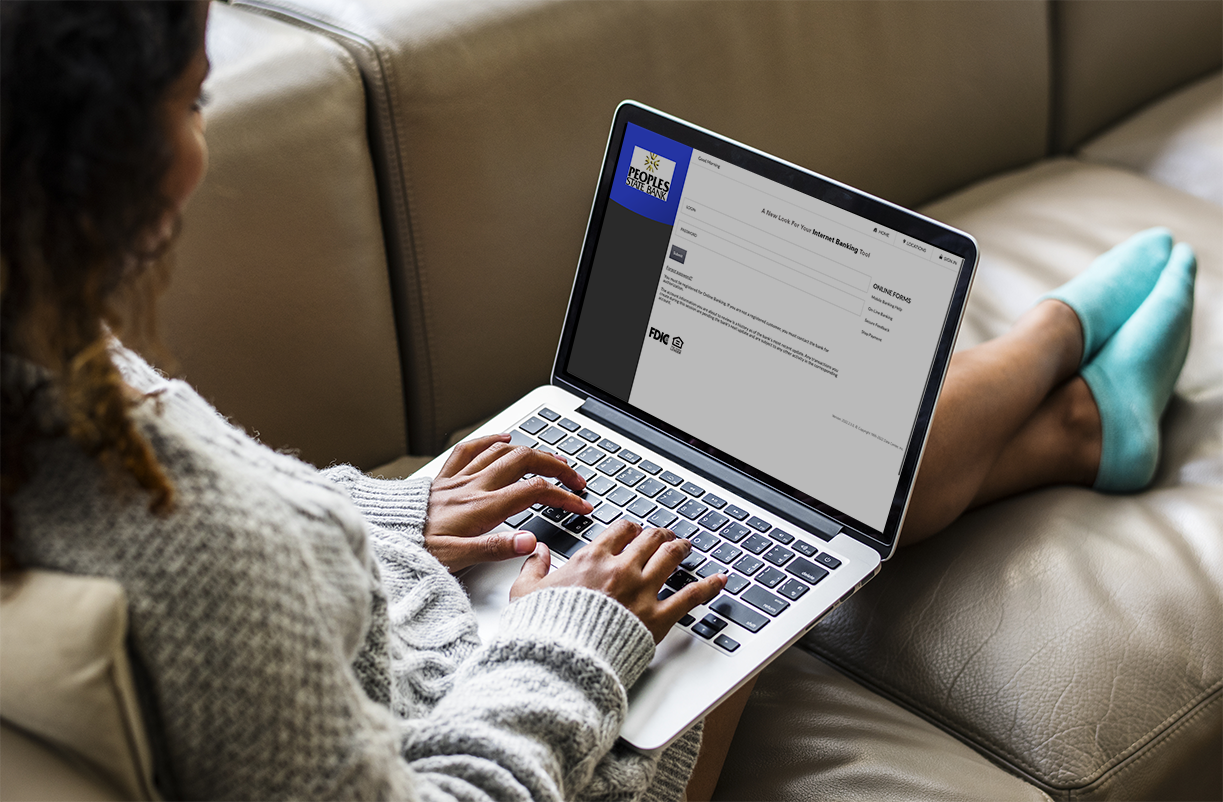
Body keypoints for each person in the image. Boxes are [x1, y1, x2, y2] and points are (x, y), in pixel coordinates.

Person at [0, 1, 1195, 801]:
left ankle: (1075, 426)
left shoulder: (41, 360)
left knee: (742, 485)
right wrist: (579, 631)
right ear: (90, 152)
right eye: (196, 100)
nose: (201, 143)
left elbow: (232, 529)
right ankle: (1056, 346)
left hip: (437, 632)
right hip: (559, 736)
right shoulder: (195, 559)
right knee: (765, 485)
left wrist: (384, 519)